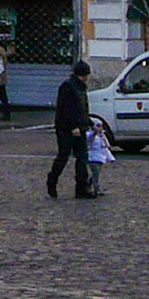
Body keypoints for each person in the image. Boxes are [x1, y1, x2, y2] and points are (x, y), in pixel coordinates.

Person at [47, 60, 95, 199]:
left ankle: (81, 187)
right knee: (63, 156)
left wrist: (90, 123)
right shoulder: (67, 87)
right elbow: (66, 109)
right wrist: (73, 126)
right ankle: (52, 180)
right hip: (66, 129)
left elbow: (82, 109)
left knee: (82, 158)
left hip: (79, 127)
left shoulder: (80, 87)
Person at [85, 117, 115, 195]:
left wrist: (110, 157)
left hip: (100, 158)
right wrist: (94, 132)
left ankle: (88, 183)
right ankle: (96, 188)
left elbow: (105, 148)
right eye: (98, 126)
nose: (100, 128)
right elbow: (90, 139)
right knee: (96, 173)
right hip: (93, 158)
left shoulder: (102, 136)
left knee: (96, 173)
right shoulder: (89, 134)